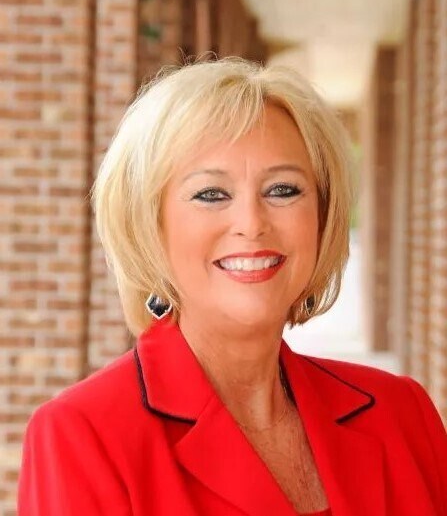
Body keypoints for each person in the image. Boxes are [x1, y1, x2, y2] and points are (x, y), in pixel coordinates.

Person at [18, 57, 447, 515]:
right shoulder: (82, 436)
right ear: (149, 225)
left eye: (283, 190)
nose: (251, 223)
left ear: (322, 216)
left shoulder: (403, 413)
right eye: (211, 194)